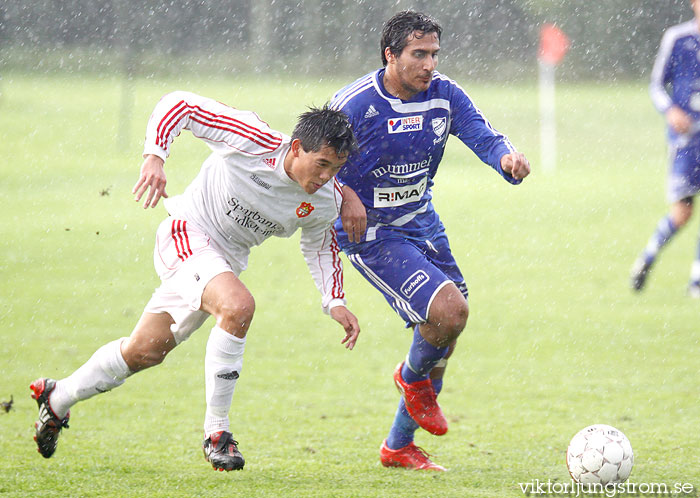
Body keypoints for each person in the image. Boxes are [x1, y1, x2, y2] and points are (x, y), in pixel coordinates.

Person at [30, 91, 360, 471]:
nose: (324, 177)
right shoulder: (253, 140)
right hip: (188, 233)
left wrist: (334, 300)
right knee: (239, 307)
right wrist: (155, 155)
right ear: (297, 147)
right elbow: (181, 105)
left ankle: (57, 399)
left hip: (221, 265)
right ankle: (217, 433)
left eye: (335, 170)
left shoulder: (325, 199)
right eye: (320, 164)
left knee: (144, 351)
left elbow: (319, 245)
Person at [330, 11, 530, 471]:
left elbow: (483, 135)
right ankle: (410, 378)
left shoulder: (445, 94)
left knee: (448, 328)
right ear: (391, 56)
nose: (429, 64)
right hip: (372, 233)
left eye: (434, 54)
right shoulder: (355, 105)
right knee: (449, 312)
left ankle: (398, 446)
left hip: (422, 221)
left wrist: (506, 160)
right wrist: (345, 195)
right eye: (418, 54)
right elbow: (308, 165)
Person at [630, 0, 700, 297]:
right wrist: (671, 111)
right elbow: (656, 85)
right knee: (683, 212)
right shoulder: (678, 38)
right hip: (687, 140)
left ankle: (696, 281)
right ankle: (648, 256)